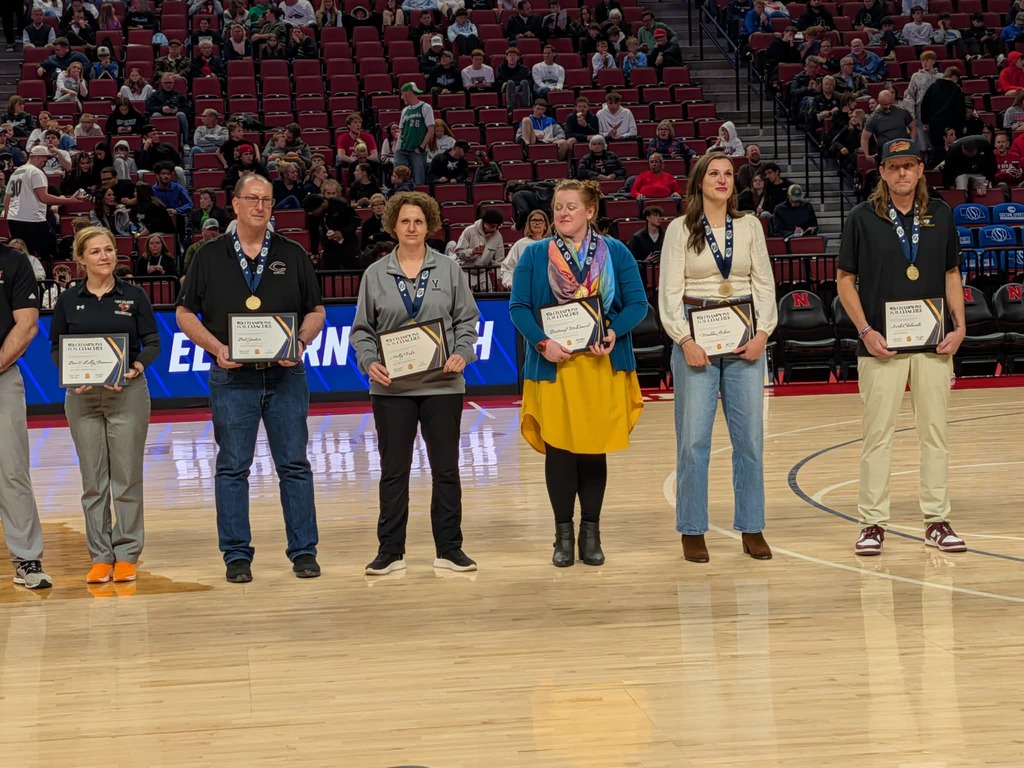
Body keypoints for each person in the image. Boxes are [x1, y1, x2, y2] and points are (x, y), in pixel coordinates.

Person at [176, 174, 325, 582]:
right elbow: (184, 314)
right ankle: (236, 555)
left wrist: (300, 342)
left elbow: (316, 312)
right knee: (232, 468)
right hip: (232, 378)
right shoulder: (208, 256)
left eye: (267, 200)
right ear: (236, 204)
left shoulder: (293, 253)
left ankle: (304, 551)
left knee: (294, 465)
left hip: (286, 376)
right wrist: (215, 347)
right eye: (252, 199)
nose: (260, 206)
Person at [836, 139, 967, 556]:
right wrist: (865, 331)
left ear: (920, 169)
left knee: (935, 435)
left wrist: (960, 326)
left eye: (909, 166)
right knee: (877, 437)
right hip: (880, 347)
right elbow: (844, 280)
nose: (902, 174)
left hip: (934, 345)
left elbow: (951, 274)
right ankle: (872, 523)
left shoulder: (941, 214)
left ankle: (937, 519)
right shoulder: (861, 217)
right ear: (883, 173)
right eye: (894, 167)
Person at [509, 178, 647, 567]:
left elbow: (636, 303)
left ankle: (591, 533)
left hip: (602, 364)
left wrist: (614, 331)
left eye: (571, 206)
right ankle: (562, 535)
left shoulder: (616, 252)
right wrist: (542, 343)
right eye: (558, 207)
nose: (563, 213)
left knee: (592, 451)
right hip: (555, 367)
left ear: (590, 211)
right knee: (560, 451)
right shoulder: (535, 255)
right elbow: (518, 308)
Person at [350, 191, 481, 575]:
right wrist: (370, 361)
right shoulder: (375, 273)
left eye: (419, 221)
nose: (411, 227)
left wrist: (462, 353)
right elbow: (362, 331)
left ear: (430, 226)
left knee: (446, 469)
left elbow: (466, 322)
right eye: (405, 221)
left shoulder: (449, 269)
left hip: (443, 385)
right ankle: (390, 551)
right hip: (392, 389)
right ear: (393, 225)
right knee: (394, 471)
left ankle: (449, 548)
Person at [657, 153, 778, 564]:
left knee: (750, 441)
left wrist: (764, 332)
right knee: (693, 441)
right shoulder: (679, 228)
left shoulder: (749, 226)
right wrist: (683, 339)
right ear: (699, 181)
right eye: (714, 173)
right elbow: (668, 292)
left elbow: (764, 283)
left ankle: (752, 526)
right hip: (696, 340)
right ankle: (692, 528)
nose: (722, 180)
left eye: (728, 174)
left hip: (746, 338)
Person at [49, 226, 158, 585]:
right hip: (82, 398)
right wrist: (70, 371)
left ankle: (126, 554)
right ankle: (100, 555)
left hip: (127, 393)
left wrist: (136, 366)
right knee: (94, 481)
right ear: (81, 259)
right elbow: (56, 348)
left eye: (109, 250)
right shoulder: (68, 300)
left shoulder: (135, 294)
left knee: (126, 478)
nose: (104, 257)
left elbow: (152, 342)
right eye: (95, 252)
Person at [0, 237, 53, 589]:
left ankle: (27, 560)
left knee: (12, 469)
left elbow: (28, 324)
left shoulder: (14, 262)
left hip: (3, 376)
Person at [3, 146, 79, 260]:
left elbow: (7, 199)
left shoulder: (16, 172)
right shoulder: (36, 172)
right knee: (50, 253)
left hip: (14, 219)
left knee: (24, 255)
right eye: (45, 159)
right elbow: (44, 198)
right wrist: (69, 200)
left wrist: (7, 219)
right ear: (37, 157)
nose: (46, 162)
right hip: (32, 220)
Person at [393, 83, 434, 187]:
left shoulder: (425, 107)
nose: (401, 97)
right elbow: (401, 131)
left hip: (416, 150)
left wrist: (421, 147)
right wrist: (397, 148)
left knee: (419, 179)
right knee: (399, 177)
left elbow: (431, 129)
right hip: (402, 149)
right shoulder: (405, 110)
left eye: (402, 94)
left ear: (409, 93)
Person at [500, 209, 550, 289]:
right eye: (534, 220)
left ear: (545, 225)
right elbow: (507, 267)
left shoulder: (551, 244)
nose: (537, 223)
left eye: (540, 220)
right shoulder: (520, 244)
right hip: (524, 289)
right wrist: (510, 284)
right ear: (528, 224)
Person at [862, 90, 914, 162]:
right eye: (884, 105)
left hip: (904, 150)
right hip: (885, 153)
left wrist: (912, 142)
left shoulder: (902, 112)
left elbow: (913, 126)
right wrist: (867, 155)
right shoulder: (872, 118)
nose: (888, 106)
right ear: (879, 102)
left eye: (890, 104)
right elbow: (864, 137)